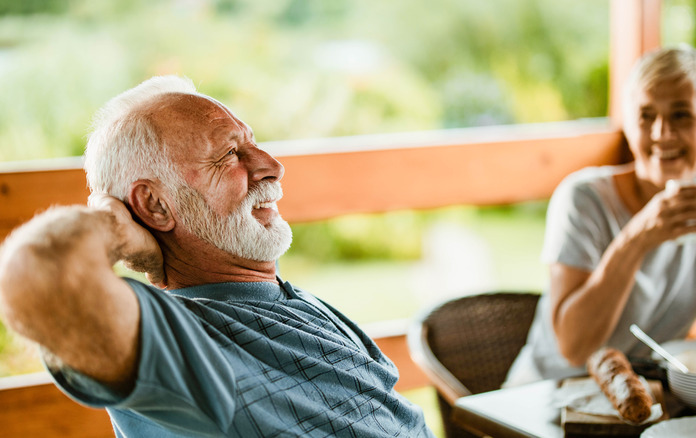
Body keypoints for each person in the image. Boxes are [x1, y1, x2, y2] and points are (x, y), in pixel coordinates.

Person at [0, 76, 434, 437]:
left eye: (253, 145)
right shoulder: (181, 341)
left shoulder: (279, 295)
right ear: (154, 206)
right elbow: (37, 274)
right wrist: (112, 226)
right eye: (229, 155)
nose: (271, 166)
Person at [503, 44, 696, 386]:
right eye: (646, 115)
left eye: (681, 115)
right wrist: (639, 236)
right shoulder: (583, 198)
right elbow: (574, 349)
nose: (661, 133)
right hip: (547, 393)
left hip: (643, 397)